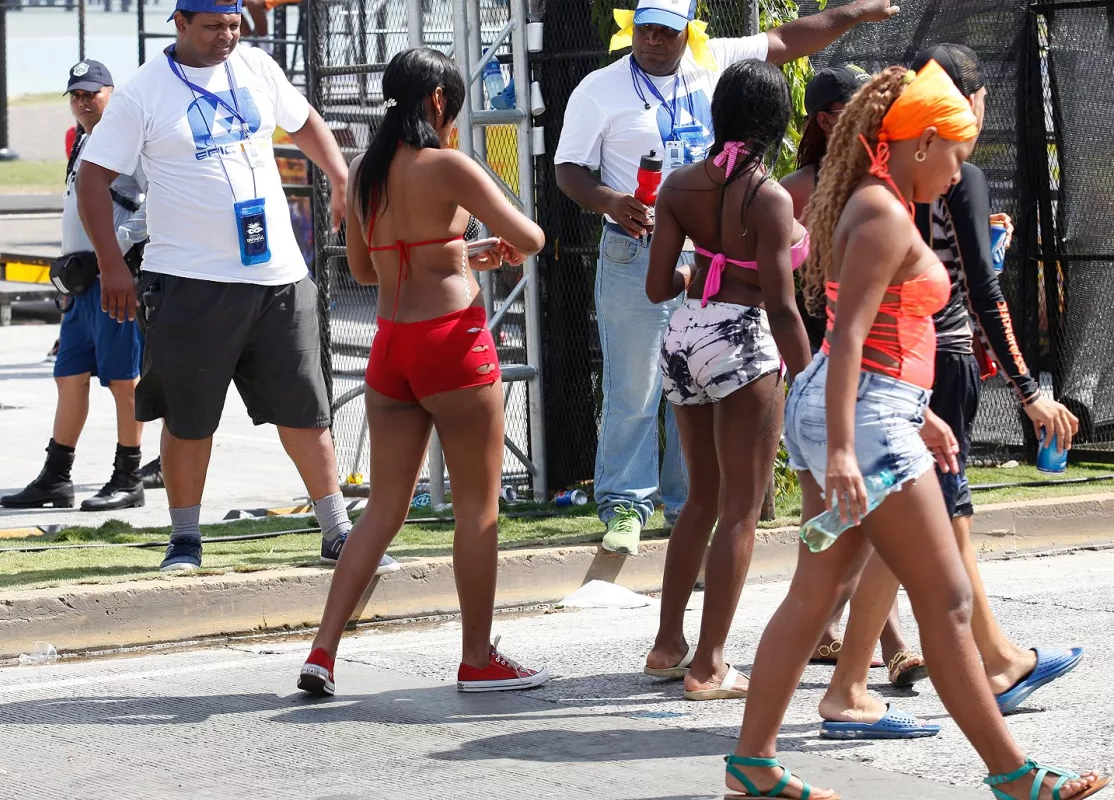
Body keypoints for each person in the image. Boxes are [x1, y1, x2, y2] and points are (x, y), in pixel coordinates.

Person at [726, 62, 1109, 800]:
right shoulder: (884, 214)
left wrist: (920, 413)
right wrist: (846, 447)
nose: (962, 170)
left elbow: (869, 339)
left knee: (815, 595)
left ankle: (753, 766)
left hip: (875, 411)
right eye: (959, 153)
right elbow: (847, 337)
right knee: (949, 601)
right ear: (924, 141)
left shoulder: (880, 203)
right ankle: (1014, 776)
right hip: (862, 421)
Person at [810, 43, 1086, 739]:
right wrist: (1027, 390)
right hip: (924, 374)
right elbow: (975, 295)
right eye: (957, 147)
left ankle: (973, 667)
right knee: (924, 553)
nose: (960, 165)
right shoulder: (920, 186)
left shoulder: (889, 185)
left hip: (914, 384)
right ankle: (974, 680)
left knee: (919, 540)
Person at [554, 0, 898, 556]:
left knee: (698, 382)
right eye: (644, 29)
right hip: (637, 246)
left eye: (667, 30)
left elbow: (787, 42)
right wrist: (608, 200)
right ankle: (625, 504)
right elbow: (568, 169)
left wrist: (852, 14)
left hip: (714, 257)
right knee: (634, 384)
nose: (654, 40)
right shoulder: (599, 88)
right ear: (631, 28)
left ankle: (686, 504)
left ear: (686, 30)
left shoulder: (711, 58)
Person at [76, 0, 397, 575]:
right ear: (180, 23)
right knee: (188, 416)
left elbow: (304, 123)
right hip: (191, 281)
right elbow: (94, 180)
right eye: (212, 27)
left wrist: (341, 175)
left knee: (305, 409)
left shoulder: (256, 67)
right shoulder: (143, 92)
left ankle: (336, 532)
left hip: (279, 277)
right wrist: (111, 265)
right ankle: (185, 540)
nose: (227, 36)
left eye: (233, 24)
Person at [297, 48, 547, 696]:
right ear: (438, 101)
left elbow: (362, 270)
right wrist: (474, 250)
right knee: (477, 509)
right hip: (453, 345)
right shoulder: (450, 166)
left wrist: (455, 253)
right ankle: (476, 658)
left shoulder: (364, 173)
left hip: (391, 349)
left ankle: (322, 652)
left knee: (381, 511)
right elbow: (533, 235)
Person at [641, 60, 812, 700]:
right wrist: (812, 378)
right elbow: (783, 306)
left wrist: (702, 276)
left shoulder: (680, 187)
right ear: (777, 123)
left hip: (685, 336)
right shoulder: (767, 196)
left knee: (700, 501)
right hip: (741, 341)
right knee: (742, 507)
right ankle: (710, 664)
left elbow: (659, 285)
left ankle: (667, 646)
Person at [782, 64, 931, 693]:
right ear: (826, 118)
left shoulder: (877, 188)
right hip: (837, 372)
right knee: (864, 533)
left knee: (835, 537)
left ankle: (839, 657)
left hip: (844, 376)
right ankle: (880, 657)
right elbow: (782, 284)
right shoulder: (813, 190)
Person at [0, 60, 150, 513]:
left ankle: (129, 476)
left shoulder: (129, 140)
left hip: (115, 280)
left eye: (92, 93)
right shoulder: (84, 140)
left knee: (124, 382)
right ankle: (56, 476)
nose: (83, 102)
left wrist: (114, 249)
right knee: (68, 378)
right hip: (81, 285)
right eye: (76, 95)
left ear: (111, 93)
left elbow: (156, 201)